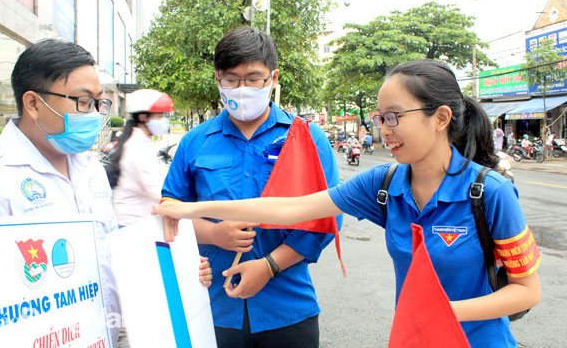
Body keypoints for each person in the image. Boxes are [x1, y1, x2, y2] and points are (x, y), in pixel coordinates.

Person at [156, 59, 541, 347]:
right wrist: (187, 210)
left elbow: (527, 291)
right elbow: (289, 208)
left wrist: (445, 313)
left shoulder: (490, 193)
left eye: (393, 117)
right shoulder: (385, 183)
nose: (383, 130)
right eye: (379, 117)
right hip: (413, 338)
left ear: (440, 117)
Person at [0, 40, 211, 347]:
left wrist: (181, 266)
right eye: (83, 102)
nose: (95, 114)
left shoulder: (91, 169)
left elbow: (109, 256)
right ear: (33, 103)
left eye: (100, 103)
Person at [160, 26, 341, 348]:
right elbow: (169, 214)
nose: (242, 88)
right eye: (231, 79)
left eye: (254, 78)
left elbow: (326, 219)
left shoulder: (308, 139)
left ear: (272, 78)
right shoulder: (194, 142)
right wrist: (213, 233)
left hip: (287, 307)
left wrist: (269, 266)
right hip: (211, 306)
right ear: (217, 78)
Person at [107, 89, 173, 227]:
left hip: (135, 222)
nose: (164, 120)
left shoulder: (136, 140)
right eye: (160, 116)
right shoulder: (138, 146)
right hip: (134, 226)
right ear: (143, 117)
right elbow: (156, 189)